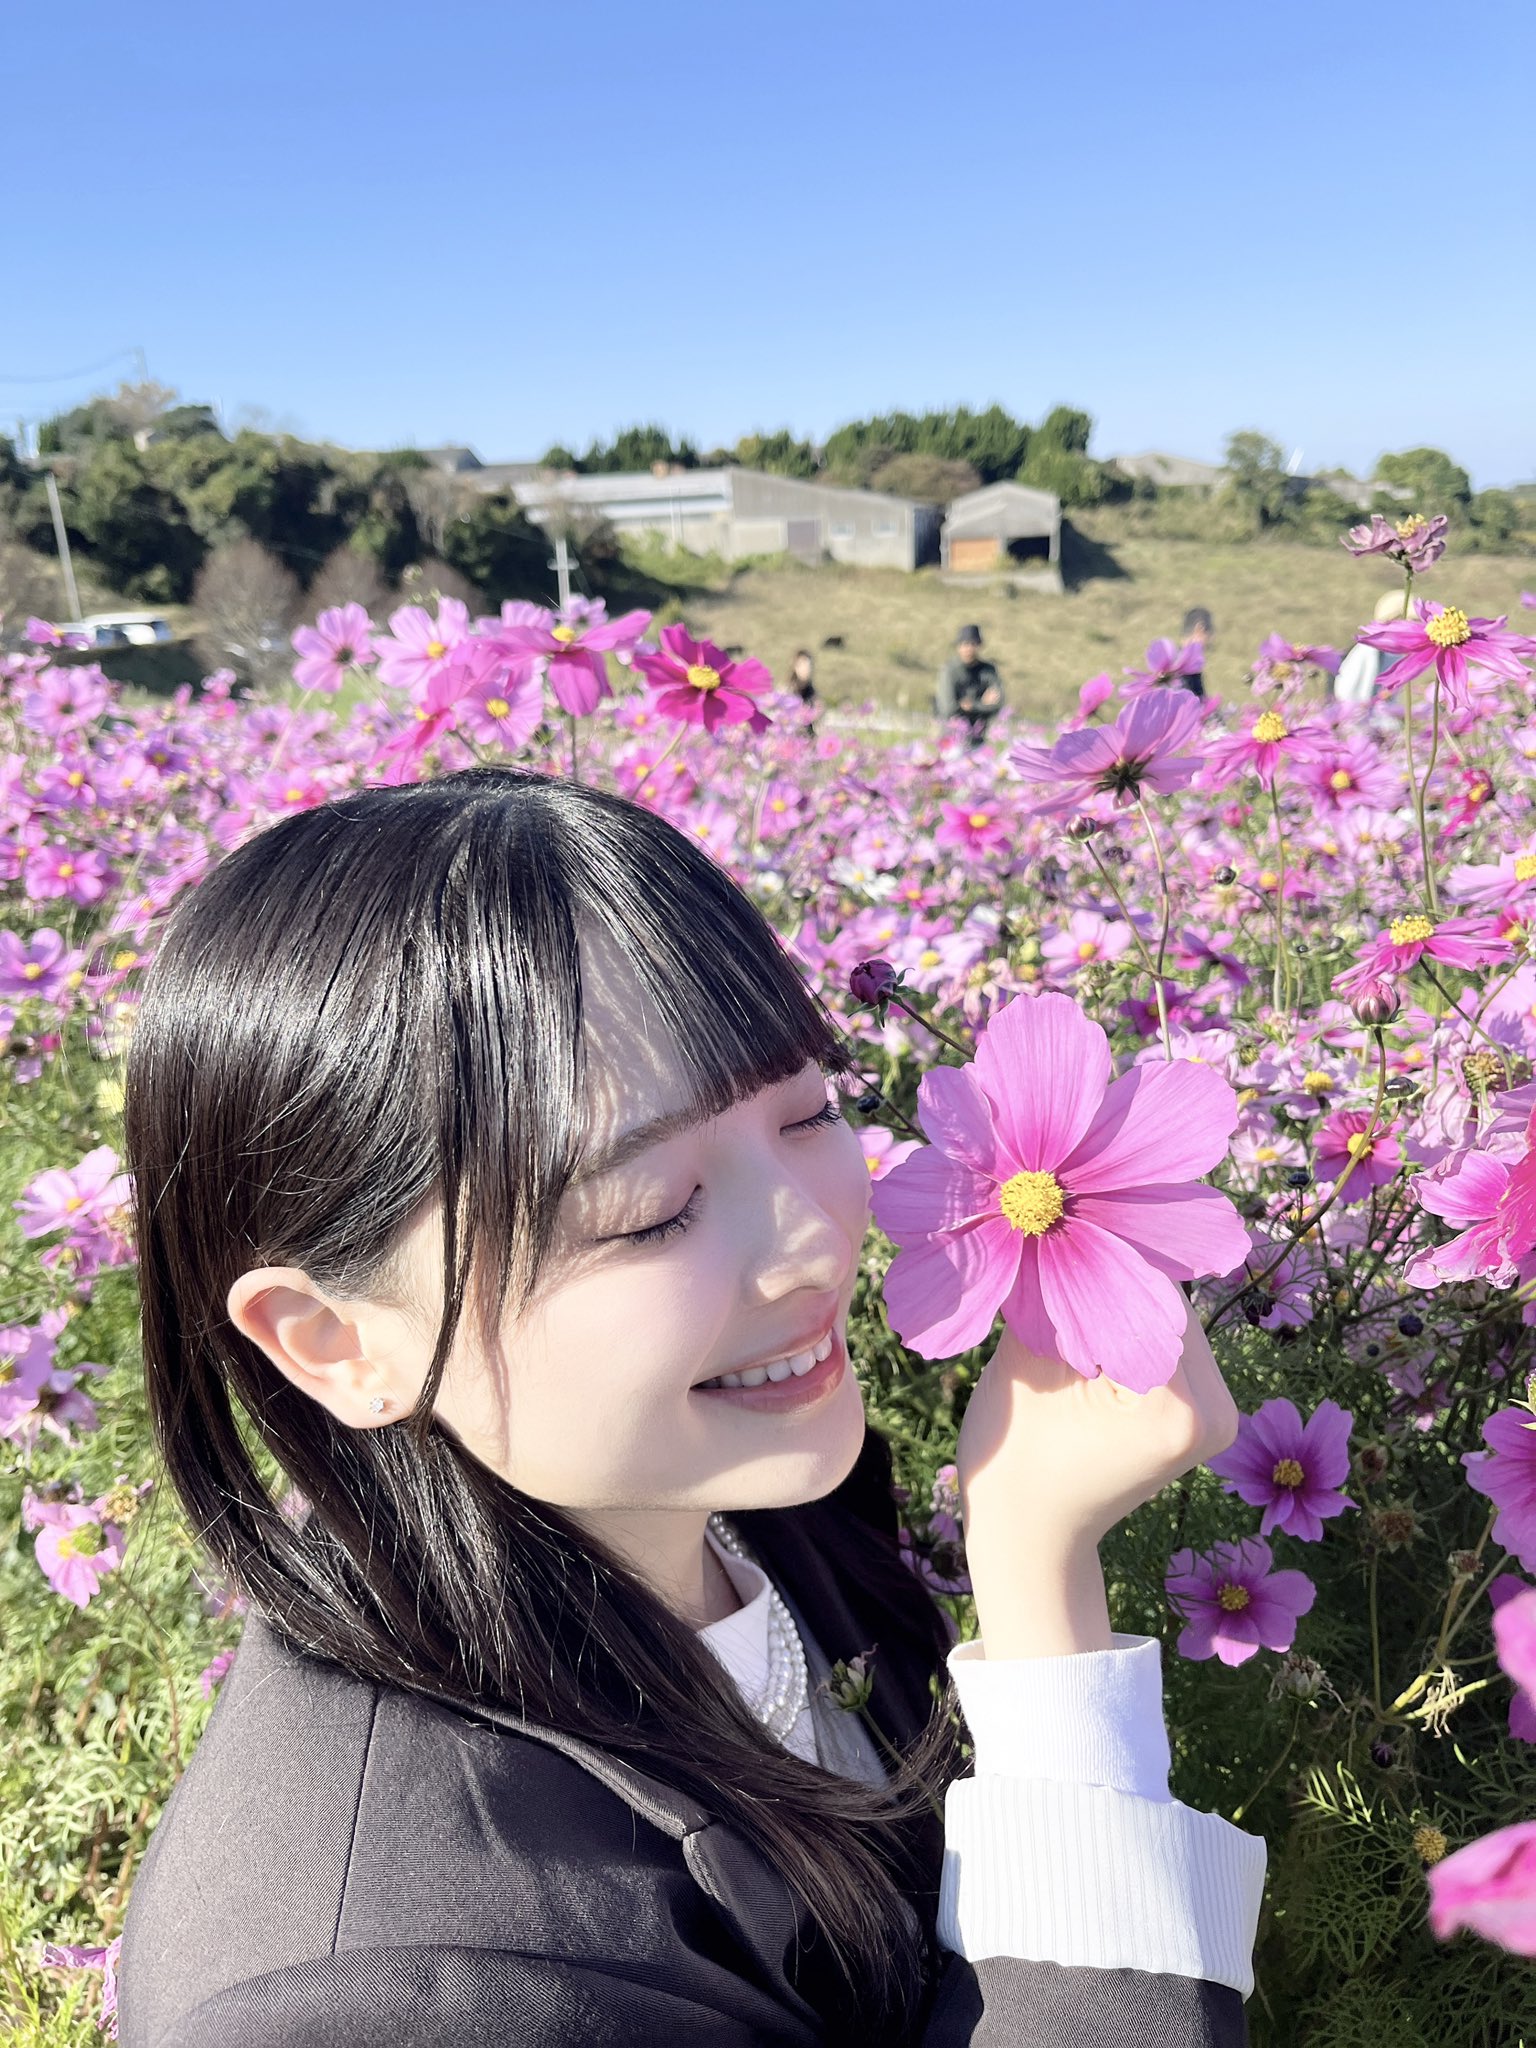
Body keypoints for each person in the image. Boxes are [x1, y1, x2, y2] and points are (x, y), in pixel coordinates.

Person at [116, 768, 1263, 2046]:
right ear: (336, 1340)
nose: (814, 1243)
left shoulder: (739, 1496)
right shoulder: (387, 1987)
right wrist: (1046, 1623)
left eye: (808, 1111)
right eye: (651, 1209)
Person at [1333, 590, 1411, 709]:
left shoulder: (1396, 652)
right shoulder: (1370, 649)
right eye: (1407, 621)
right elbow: (1356, 689)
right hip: (1360, 712)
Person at [934, 625, 1004, 745]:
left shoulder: (988, 670)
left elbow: (998, 705)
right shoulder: (949, 671)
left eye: (973, 644)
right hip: (951, 738)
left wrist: (971, 705)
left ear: (979, 646)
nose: (969, 648)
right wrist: (982, 703)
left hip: (978, 738)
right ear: (958, 646)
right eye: (965, 644)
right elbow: (948, 709)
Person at [1180, 608, 1213, 700]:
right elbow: (1197, 701)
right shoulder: (1186, 666)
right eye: (1209, 634)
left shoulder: (1181, 660)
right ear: (1199, 629)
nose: (1210, 640)